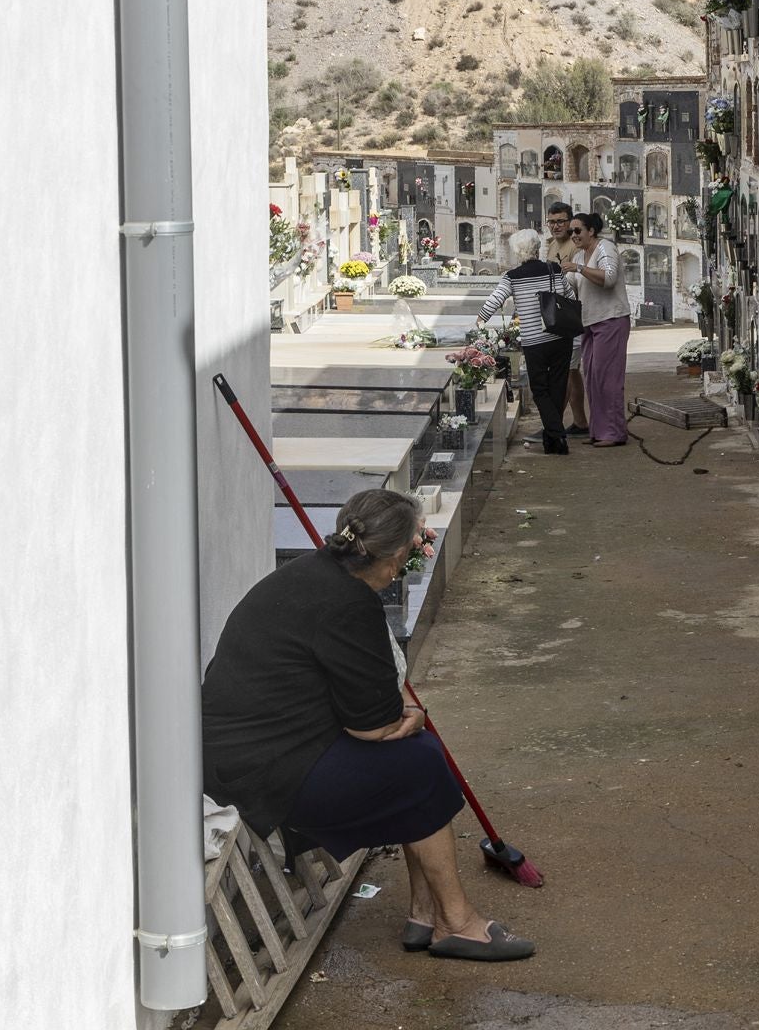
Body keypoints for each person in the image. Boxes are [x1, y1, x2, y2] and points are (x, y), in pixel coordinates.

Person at [201, 489, 535, 962]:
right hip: (258, 774)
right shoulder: (349, 603)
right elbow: (371, 726)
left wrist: (401, 722)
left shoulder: (310, 572)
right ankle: (456, 922)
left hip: (251, 749)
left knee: (418, 758)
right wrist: (409, 719)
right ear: (398, 555)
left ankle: (427, 914)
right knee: (417, 766)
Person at [478, 226, 572, 455]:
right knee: (558, 386)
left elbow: (496, 299)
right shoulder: (554, 269)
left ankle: (557, 434)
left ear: (517, 252)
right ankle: (552, 440)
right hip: (560, 335)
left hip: (534, 340)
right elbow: (569, 295)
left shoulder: (512, 277)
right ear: (537, 248)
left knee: (540, 389)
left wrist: (480, 319)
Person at [566, 211, 631, 446]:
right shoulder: (581, 255)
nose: (573, 235)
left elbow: (609, 278)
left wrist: (577, 269)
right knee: (593, 378)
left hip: (611, 319)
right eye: (571, 231)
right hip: (590, 322)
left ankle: (613, 433)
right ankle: (598, 431)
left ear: (591, 231)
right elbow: (575, 286)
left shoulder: (605, 248)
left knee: (608, 379)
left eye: (577, 230)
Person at [545, 200, 588, 436]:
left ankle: (553, 427)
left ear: (569, 222)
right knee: (571, 372)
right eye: (551, 222)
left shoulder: (576, 247)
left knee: (564, 372)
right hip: (559, 314)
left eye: (561, 221)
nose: (556, 226)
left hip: (571, 315)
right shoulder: (552, 246)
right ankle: (581, 422)